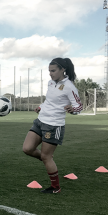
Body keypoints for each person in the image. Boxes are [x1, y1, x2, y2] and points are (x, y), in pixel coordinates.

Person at [22, 57, 82, 194]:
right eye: (49, 71)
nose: (50, 73)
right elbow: (49, 101)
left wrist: (73, 109)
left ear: (63, 69)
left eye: (53, 70)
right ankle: (47, 158)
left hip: (54, 125)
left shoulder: (69, 86)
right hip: (40, 121)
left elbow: (79, 106)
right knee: (27, 148)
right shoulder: (50, 83)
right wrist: (41, 107)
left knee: (46, 156)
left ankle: (56, 187)